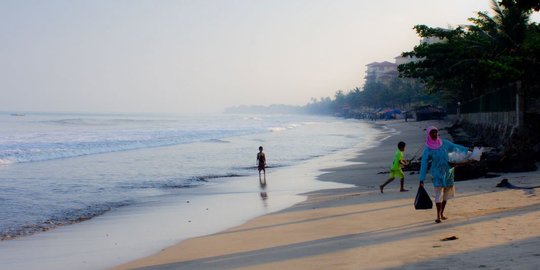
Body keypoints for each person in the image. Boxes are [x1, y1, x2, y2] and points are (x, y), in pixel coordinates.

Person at [419, 126, 469, 223]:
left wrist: (467, 150)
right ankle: (438, 216)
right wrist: (422, 179)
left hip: (449, 172)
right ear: (429, 135)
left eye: (435, 132)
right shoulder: (428, 149)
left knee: (446, 194)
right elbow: (424, 163)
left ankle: (442, 213)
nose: (434, 134)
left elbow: (455, 147)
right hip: (437, 173)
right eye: (432, 133)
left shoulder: (444, 143)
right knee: (438, 194)